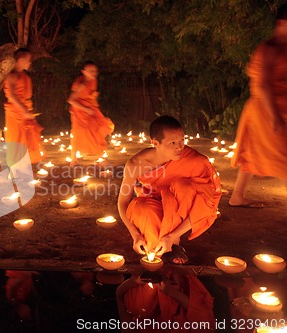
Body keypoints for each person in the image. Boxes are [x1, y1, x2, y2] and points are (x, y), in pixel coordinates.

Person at [117, 116, 222, 263]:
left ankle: (174, 241)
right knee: (141, 208)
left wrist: (173, 236)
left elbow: (208, 202)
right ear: (155, 143)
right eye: (172, 143)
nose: (179, 147)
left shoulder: (194, 160)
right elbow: (123, 202)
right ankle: (166, 246)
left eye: (182, 141)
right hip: (152, 201)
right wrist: (135, 235)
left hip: (179, 205)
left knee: (184, 186)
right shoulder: (135, 165)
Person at [229, 4, 287, 208]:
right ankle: (237, 195)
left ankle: (237, 196)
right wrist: (275, 117)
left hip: (273, 108)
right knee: (283, 155)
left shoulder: (283, 48)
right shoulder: (270, 49)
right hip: (266, 109)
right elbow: (261, 85)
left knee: (251, 154)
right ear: (282, 23)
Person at [116, 269, 215, 332]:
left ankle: (157, 268)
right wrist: (171, 292)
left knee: (140, 308)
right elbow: (203, 315)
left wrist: (134, 281)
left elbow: (119, 295)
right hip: (179, 289)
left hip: (150, 288)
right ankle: (174, 268)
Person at [3, 48, 43, 171]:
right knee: (16, 137)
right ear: (20, 60)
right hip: (15, 111)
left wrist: (27, 110)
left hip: (25, 109)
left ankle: (25, 163)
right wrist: (23, 110)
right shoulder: (11, 76)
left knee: (28, 136)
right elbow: (11, 96)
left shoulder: (25, 76)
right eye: (28, 60)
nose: (30, 62)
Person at [68, 61, 114, 166]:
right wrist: (86, 109)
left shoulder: (93, 80)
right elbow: (71, 100)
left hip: (91, 109)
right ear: (83, 72)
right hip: (80, 112)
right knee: (78, 134)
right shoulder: (82, 84)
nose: (94, 73)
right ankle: (73, 161)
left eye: (95, 71)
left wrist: (90, 108)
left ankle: (101, 158)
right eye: (91, 71)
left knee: (99, 129)